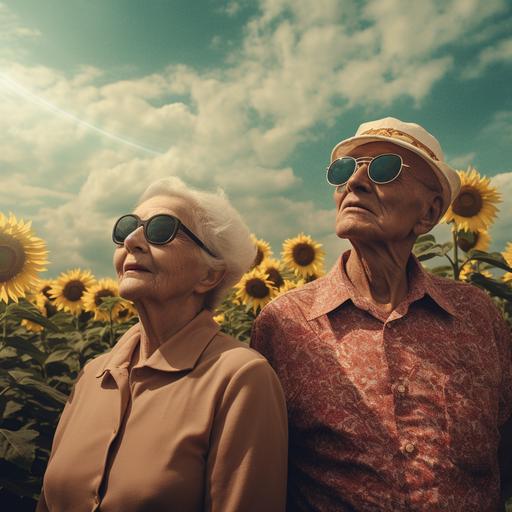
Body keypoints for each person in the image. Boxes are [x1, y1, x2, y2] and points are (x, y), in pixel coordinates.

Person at [251, 117, 512, 511]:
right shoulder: (285, 324)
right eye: (343, 171)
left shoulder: (477, 315)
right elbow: (264, 472)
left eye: (384, 168)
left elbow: (504, 450)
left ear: (429, 213)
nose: (353, 183)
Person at [37, 177, 288, 512]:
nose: (131, 240)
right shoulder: (93, 375)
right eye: (127, 227)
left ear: (209, 275)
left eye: (161, 230)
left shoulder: (239, 378)